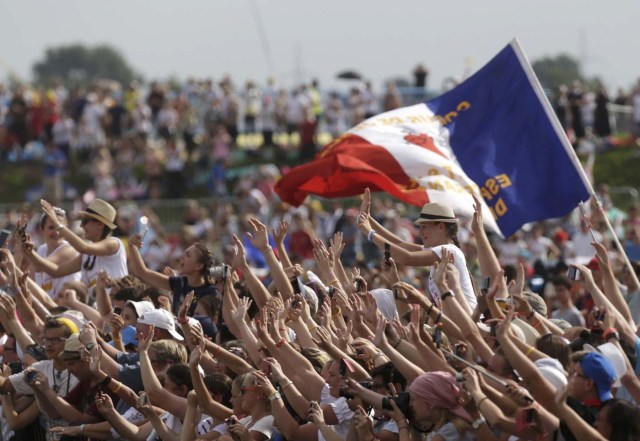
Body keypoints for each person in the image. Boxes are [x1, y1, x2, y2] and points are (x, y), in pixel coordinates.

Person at [357, 189, 476, 312]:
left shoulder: (447, 249)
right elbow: (399, 243)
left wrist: (370, 233)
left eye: (424, 227)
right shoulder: (439, 250)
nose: (420, 233)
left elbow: (406, 258)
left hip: (468, 323)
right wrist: (368, 219)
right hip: (459, 323)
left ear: (441, 227)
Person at [22, 199, 128, 289]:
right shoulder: (87, 255)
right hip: (99, 309)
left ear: (100, 225)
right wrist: (30, 252)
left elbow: (83, 247)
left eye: (85, 221)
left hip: (118, 309)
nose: (81, 225)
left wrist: (58, 224)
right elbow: (57, 271)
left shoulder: (114, 243)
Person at [128, 235, 218, 315]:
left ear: (198, 265)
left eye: (188, 255)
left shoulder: (211, 292)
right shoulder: (178, 282)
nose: (181, 257)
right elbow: (141, 272)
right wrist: (131, 245)